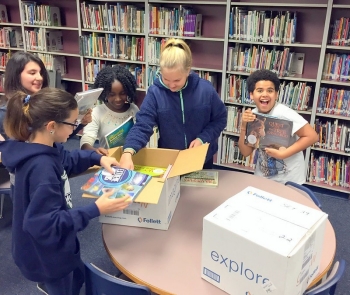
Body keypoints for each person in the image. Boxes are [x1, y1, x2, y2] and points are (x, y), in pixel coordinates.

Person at [0, 87, 131, 295]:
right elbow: (46, 225)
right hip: (46, 256)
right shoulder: (42, 170)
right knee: (63, 288)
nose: (75, 129)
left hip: (50, 246)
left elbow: (67, 160)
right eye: (72, 124)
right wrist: (95, 209)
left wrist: (98, 158)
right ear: (52, 126)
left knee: (75, 276)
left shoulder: (43, 145)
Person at [119, 38, 227, 169]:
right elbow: (143, 125)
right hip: (170, 159)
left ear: (188, 71)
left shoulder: (206, 90)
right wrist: (128, 151)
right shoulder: (155, 93)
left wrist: (203, 139)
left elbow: (220, 119)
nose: (171, 85)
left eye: (177, 80)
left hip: (202, 159)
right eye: (166, 79)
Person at [238, 69, 319, 184]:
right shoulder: (254, 115)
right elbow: (245, 152)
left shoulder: (284, 113)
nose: (265, 94)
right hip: (263, 176)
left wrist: (284, 154)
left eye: (270, 90)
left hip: (289, 178)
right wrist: (243, 126)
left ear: (276, 94)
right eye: (259, 90)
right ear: (251, 94)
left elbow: (312, 136)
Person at [2, 51, 91, 138]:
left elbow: (55, 137)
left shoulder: (43, 106)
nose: (40, 78)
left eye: (41, 73)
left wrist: (80, 123)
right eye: (32, 73)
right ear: (16, 76)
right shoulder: (4, 114)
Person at [80, 65, 139, 155]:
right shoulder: (97, 112)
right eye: (112, 94)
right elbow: (85, 142)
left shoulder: (133, 109)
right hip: (109, 159)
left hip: (132, 157)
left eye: (122, 93)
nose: (118, 99)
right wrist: (94, 151)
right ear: (104, 93)